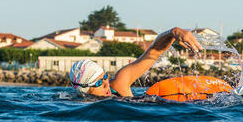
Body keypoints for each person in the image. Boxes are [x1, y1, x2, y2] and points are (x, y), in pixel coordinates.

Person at [68, 26, 203, 97]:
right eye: (98, 83)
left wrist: (173, 32)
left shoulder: (118, 85)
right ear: (83, 90)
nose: (105, 84)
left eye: (104, 77)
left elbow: (153, 53)